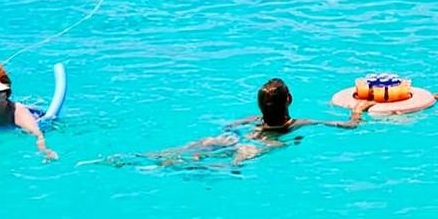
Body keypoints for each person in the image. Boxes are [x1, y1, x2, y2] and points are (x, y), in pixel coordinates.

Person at [91, 78, 376, 168]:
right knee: (221, 166)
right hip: (261, 145)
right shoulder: (300, 123)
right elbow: (349, 127)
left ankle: (143, 158)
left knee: (187, 149)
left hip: (236, 136)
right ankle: (167, 166)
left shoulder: (252, 118)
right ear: (289, 99)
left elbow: (230, 126)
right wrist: (357, 110)